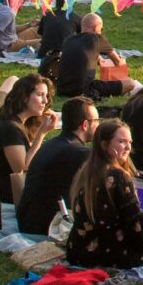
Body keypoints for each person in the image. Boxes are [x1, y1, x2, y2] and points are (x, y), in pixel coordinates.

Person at [62, 119, 143, 268]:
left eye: (129, 142)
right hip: (109, 256)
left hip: (78, 252)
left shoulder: (85, 172)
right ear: (104, 144)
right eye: (121, 142)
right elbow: (134, 224)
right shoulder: (118, 176)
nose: (127, 147)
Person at [16, 95, 94, 236]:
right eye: (97, 121)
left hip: (26, 222)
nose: (99, 125)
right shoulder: (81, 153)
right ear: (85, 125)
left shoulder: (50, 145)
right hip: (49, 228)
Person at [0, 73, 53, 205]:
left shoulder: (20, 124)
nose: (45, 101)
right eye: (40, 95)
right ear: (24, 98)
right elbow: (22, 170)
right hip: (8, 195)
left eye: (46, 96)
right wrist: (41, 134)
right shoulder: (10, 128)